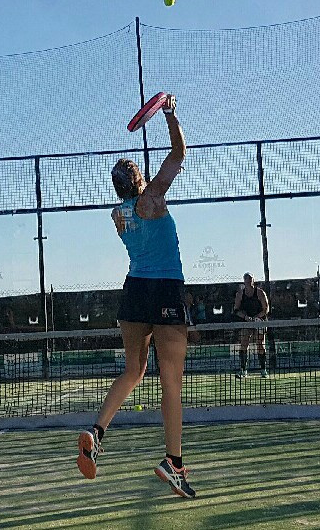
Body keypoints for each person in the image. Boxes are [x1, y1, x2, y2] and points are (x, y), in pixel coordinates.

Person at [76, 94, 195, 499]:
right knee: (172, 381)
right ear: (139, 180)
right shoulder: (151, 200)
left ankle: (97, 432)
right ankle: (173, 463)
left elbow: (135, 204)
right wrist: (170, 113)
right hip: (164, 290)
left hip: (133, 295)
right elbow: (178, 154)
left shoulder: (118, 215)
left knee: (134, 370)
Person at [233, 273, 269, 379]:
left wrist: (256, 317)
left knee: (260, 344)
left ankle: (263, 370)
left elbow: (266, 309)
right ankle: (243, 370)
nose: (248, 281)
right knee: (244, 343)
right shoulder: (240, 294)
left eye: (250, 279)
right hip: (246, 322)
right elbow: (236, 310)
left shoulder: (260, 293)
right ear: (244, 281)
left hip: (260, 321)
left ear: (253, 280)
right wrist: (246, 317)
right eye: (246, 279)